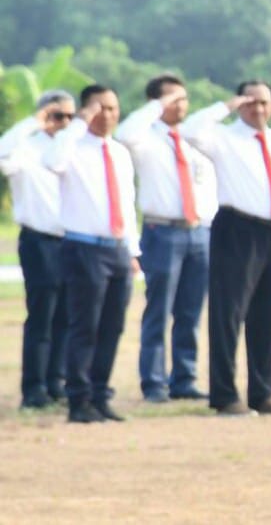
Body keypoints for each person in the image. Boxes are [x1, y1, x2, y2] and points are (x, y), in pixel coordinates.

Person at [180, 81, 271, 417]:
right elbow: (190, 130)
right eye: (251, 103)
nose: (258, 109)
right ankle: (224, 394)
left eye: (264, 102)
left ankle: (262, 394)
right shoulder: (224, 137)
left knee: (266, 317)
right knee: (228, 315)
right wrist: (227, 106)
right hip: (238, 229)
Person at [115, 74, 217, 402]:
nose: (180, 105)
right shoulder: (145, 139)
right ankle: (154, 382)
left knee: (190, 312)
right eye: (172, 99)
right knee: (159, 310)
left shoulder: (192, 139)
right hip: (163, 231)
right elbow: (124, 133)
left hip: (199, 231)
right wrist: (156, 108)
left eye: (183, 98)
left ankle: (184, 379)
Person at [43, 85, 142, 424]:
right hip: (84, 247)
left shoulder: (120, 152)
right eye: (100, 108)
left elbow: (127, 203)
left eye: (113, 108)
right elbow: (52, 161)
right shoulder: (72, 146)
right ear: (87, 111)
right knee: (85, 326)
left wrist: (133, 249)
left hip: (117, 248)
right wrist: (78, 123)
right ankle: (79, 399)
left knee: (112, 327)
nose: (108, 115)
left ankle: (101, 395)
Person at [2, 90, 75, 409]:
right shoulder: (26, 148)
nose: (65, 122)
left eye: (71, 116)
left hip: (73, 241)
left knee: (67, 316)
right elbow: (2, 156)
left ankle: (57, 382)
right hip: (40, 240)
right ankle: (34, 388)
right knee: (42, 315)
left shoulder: (73, 147)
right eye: (58, 115)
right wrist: (33, 124)